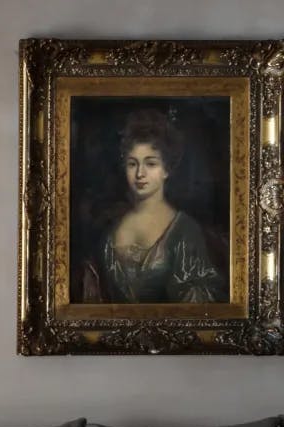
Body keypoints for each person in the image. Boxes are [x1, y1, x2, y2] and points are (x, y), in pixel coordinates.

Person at [80, 109, 223, 304]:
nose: (140, 174)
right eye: (132, 164)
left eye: (151, 164)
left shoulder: (185, 230)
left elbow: (199, 306)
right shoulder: (110, 225)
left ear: (167, 169)